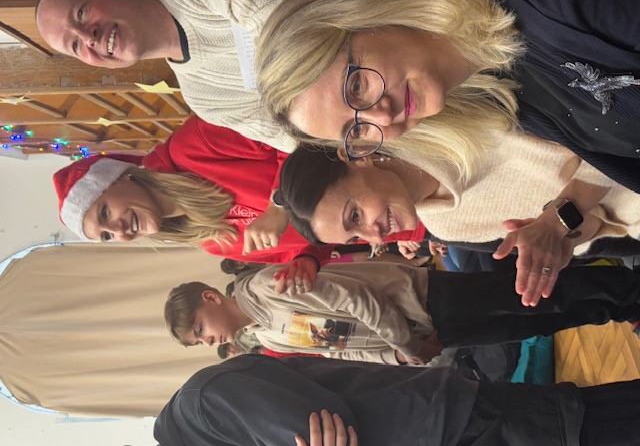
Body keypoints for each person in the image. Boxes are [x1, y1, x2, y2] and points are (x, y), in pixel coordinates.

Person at [256, 0, 640, 297]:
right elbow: (608, 181)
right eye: (356, 128)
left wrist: (560, 218)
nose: (381, 117)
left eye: (356, 86)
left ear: (362, 13)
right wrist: (560, 231)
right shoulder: (496, 97)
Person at [52, 116, 423, 292]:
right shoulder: (212, 242)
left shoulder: (191, 147)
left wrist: (279, 204)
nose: (117, 231)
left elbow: (298, 130)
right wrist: (307, 262)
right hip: (406, 225)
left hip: (403, 169)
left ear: (119, 176)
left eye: (105, 213)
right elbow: (319, 240)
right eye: (106, 236)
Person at [277, 141, 640, 306]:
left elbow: (611, 130)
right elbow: (599, 224)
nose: (375, 235)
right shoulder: (448, 227)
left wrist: (558, 221)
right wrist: (564, 242)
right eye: (355, 236)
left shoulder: (453, 128)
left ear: (355, 156)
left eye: (355, 215)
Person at [35, 0, 330, 151]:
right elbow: (303, 143)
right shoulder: (205, 99)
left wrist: (302, 104)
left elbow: (300, 21)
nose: (87, 37)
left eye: (81, 13)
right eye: (75, 45)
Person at [164, 262, 640, 365]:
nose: (208, 340)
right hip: (427, 337)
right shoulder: (270, 338)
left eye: (200, 328)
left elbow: (355, 298)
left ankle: (628, 288)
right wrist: (397, 357)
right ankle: (618, 311)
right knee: (532, 324)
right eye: (198, 341)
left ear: (211, 298)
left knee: (536, 296)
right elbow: (338, 351)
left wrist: (405, 343)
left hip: (425, 300)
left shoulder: (268, 286)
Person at [154, 354, 640, 446]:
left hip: (448, 427)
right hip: (441, 426)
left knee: (587, 427)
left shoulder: (202, 408)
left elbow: (330, 431)